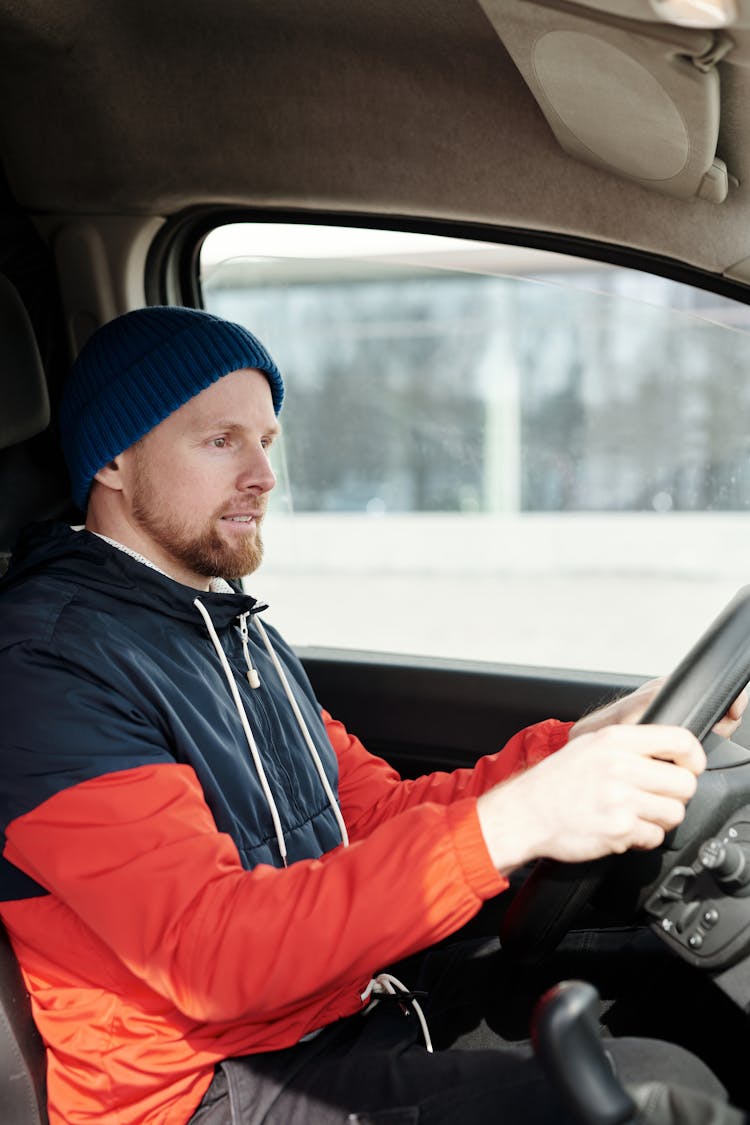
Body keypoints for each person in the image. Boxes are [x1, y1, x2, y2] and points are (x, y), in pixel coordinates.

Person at [0, 305, 746, 1125]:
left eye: (267, 442)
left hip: (342, 1003)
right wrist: (518, 822)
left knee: (679, 992)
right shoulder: (48, 664)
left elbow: (372, 814)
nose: (263, 474)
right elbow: (208, 953)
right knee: (664, 1095)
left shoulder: (234, 633)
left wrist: (585, 743)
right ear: (112, 456)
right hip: (207, 1090)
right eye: (221, 441)